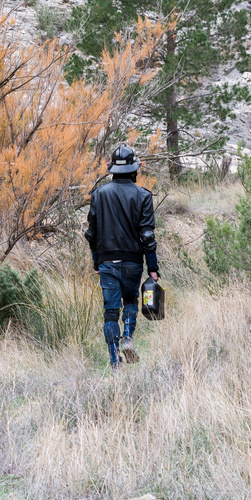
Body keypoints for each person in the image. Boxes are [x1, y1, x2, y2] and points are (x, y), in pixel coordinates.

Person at [84, 144, 159, 369]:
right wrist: (153, 268)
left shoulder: (99, 194)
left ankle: (115, 361)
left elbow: (91, 233)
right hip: (133, 262)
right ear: (134, 170)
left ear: (113, 170)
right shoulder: (143, 195)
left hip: (107, 261)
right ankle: (127, 336)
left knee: (110, 311)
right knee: (131, 302)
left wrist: (97, 261)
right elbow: (147, 235)